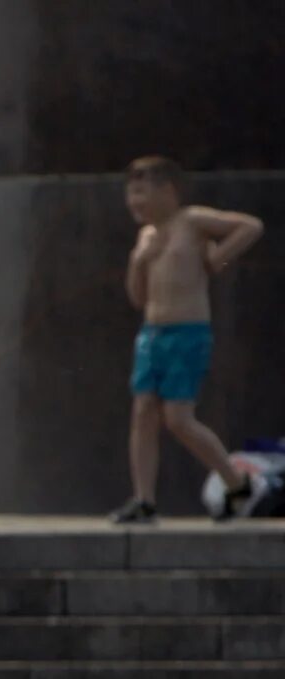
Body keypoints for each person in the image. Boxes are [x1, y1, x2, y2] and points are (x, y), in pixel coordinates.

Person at [110, 156, 265, 524]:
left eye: (142, 192)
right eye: (130, 194)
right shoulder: (146, 236)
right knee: (143, 412)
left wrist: (218, 260)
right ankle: (144, 499)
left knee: (178, 419)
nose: (135, 202)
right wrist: (138, 261)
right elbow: (137, 297)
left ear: (168, 191)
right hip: (152, 333)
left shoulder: (191, 221)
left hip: (187, 332)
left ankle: (237, 482)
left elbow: (250, 226)